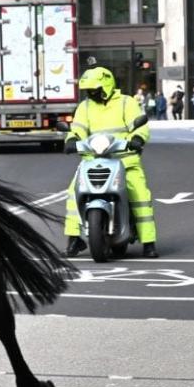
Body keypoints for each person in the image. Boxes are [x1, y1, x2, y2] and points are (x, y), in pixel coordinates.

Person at [63, 66, 158, 258]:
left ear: (106, 86)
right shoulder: (85, 106)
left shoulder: (126, 103)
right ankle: (75, 239)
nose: (90, 94)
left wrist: (138, 139)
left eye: (94, 89)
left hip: (125, 160)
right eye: (88, 90)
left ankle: (148, 242)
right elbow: (77, 129)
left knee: (139, 195)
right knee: (74, 193)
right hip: (93, 160)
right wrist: (71, 140)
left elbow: (140, 125)